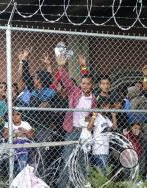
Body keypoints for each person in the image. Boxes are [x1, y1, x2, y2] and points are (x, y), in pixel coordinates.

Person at [56, 54, 97, 188]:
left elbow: (93, 115)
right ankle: (62, 186)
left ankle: (79, 185)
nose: (85, 85)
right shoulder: (75, 91)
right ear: (80, 84)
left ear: (92, 85)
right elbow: (66, 80)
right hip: (72, 130)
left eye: (88, 84)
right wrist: (61, 66)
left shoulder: (94, 99)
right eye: (83, 83)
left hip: (84, 132)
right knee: (67, 159)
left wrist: (90, 119)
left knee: (81, 161)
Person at [88, 98, 117, 174]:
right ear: (102, 106)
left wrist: (113, 116)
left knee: (102, 173)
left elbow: (114, 127)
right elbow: (89, 127)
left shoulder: (107, 119)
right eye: (107, 106)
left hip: (105, 149)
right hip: (98, 149)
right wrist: (94, 116)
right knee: (103, 173)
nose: (109, 108)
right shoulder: (98, 117)